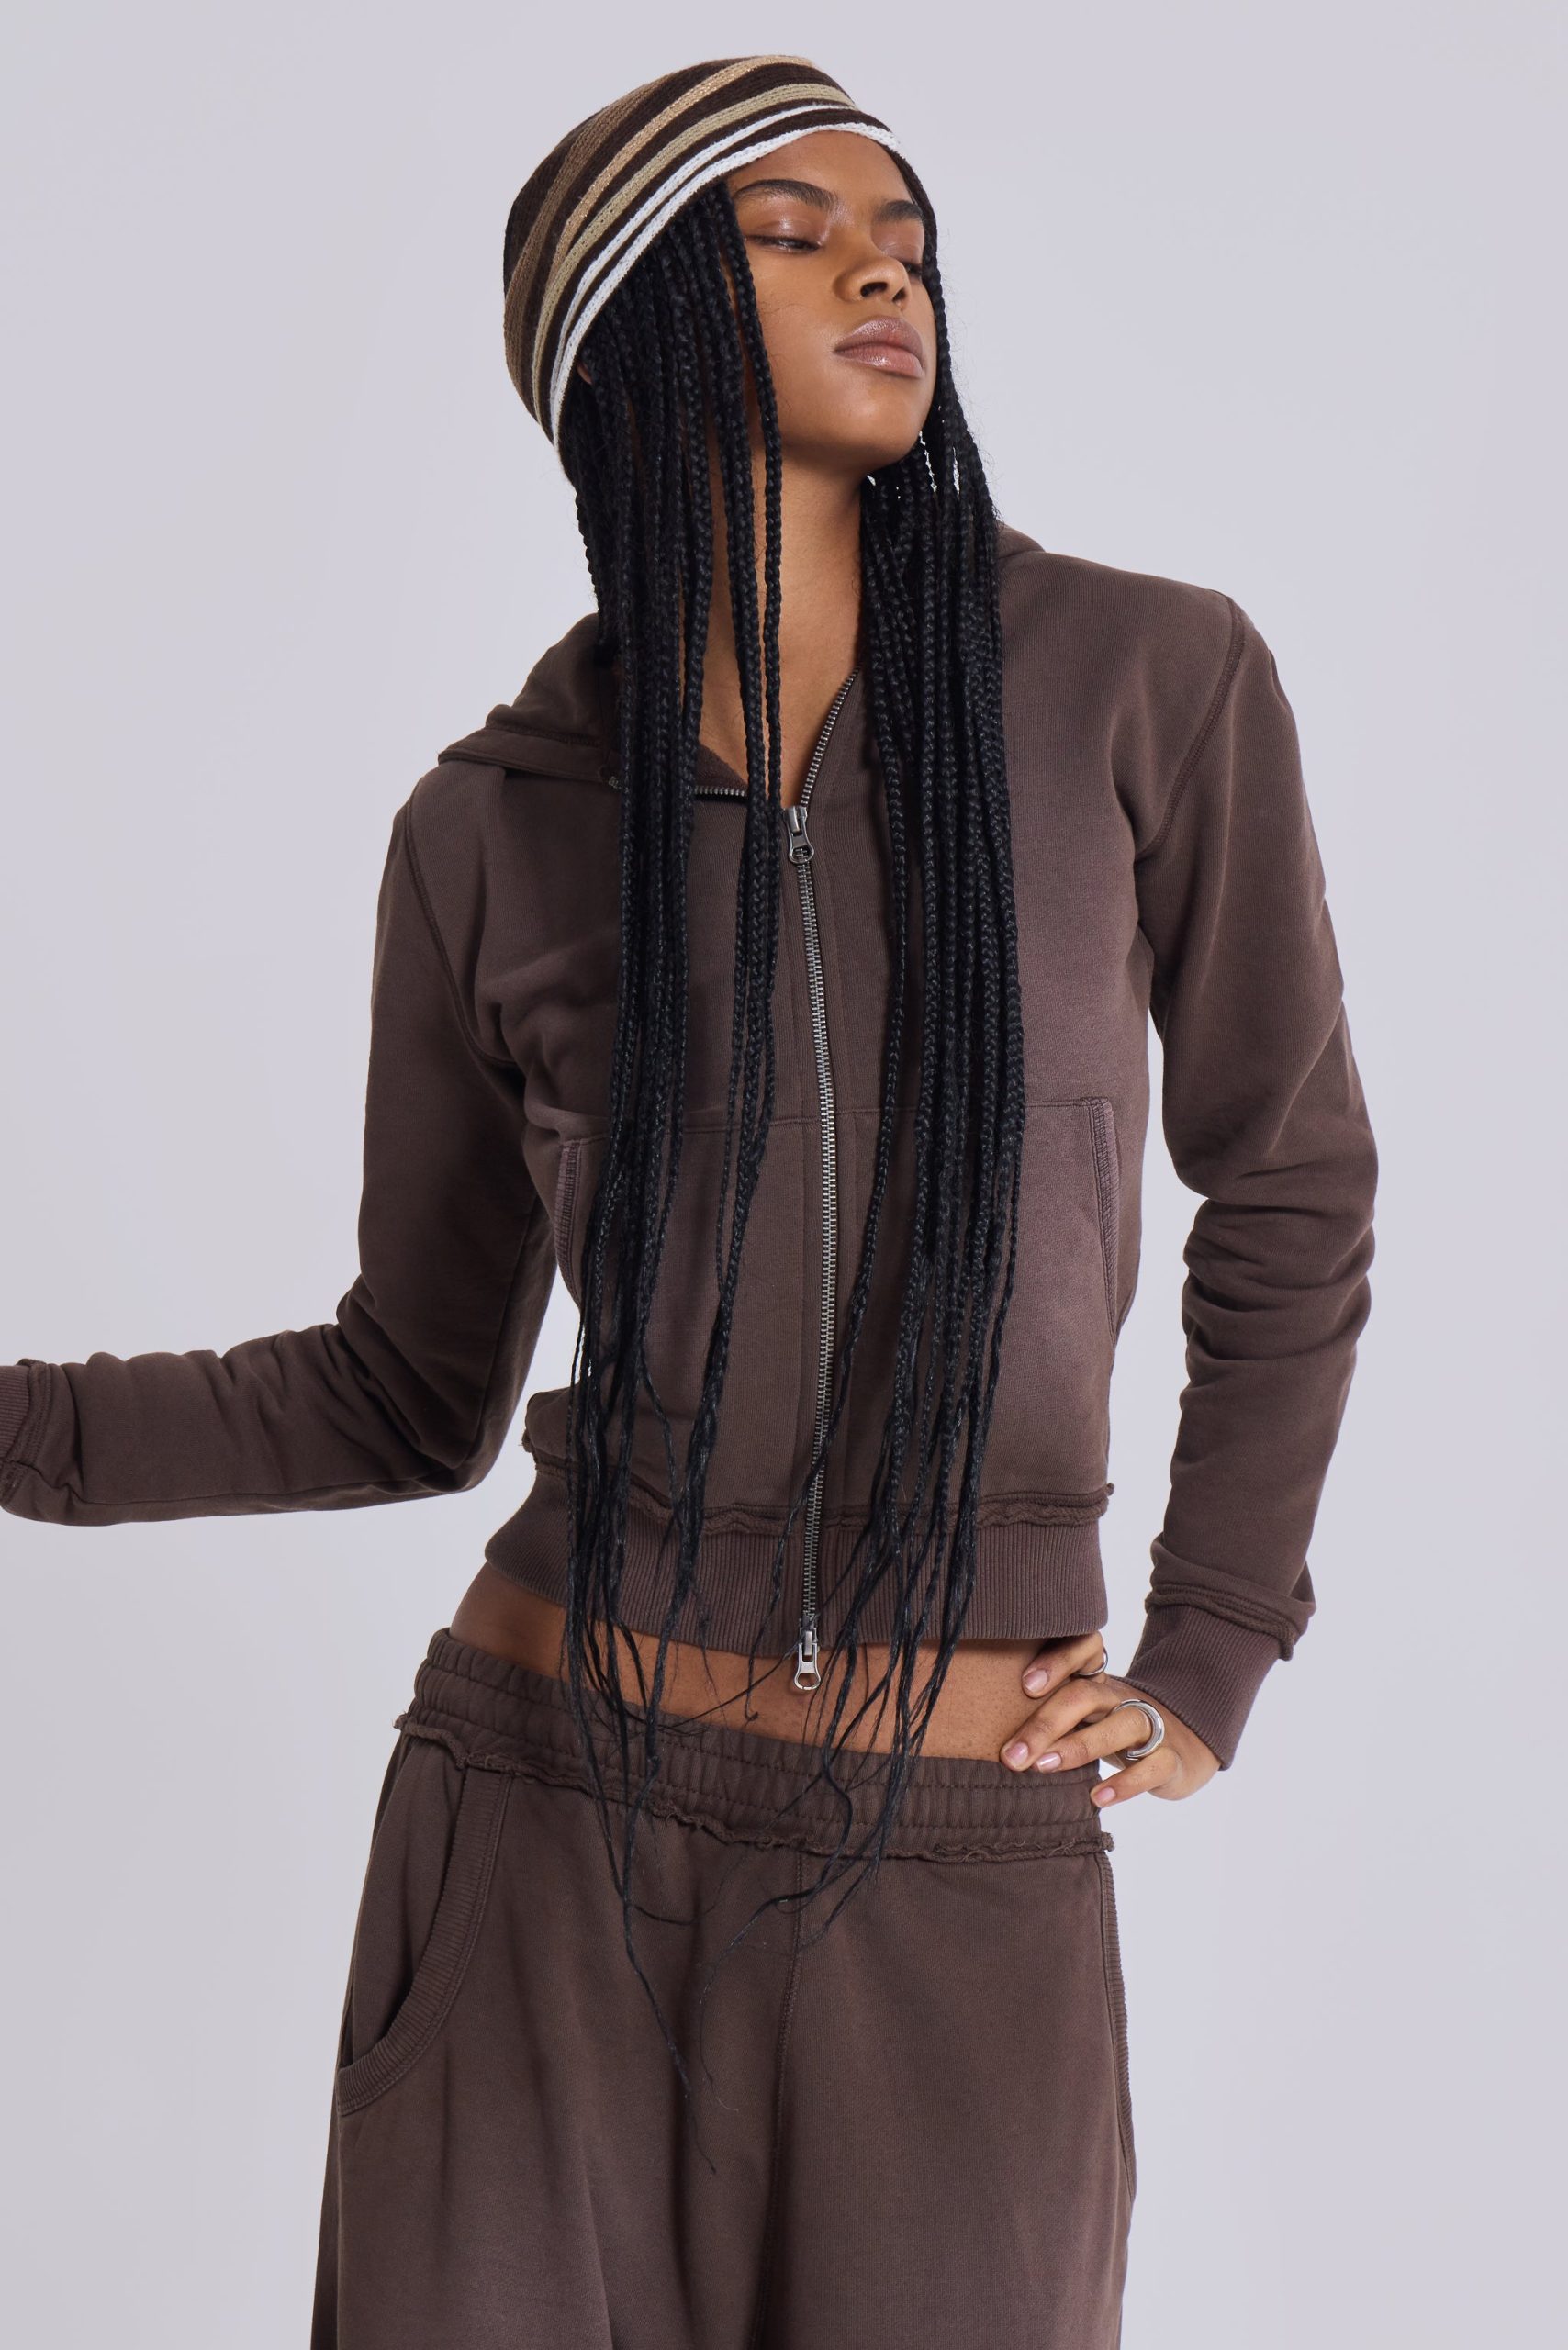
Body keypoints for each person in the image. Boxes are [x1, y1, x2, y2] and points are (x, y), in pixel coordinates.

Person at [0, 53, 1378, 2350]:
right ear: (622, 325)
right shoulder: (495, 823)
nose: (879, 270)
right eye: (789, 231)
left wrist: (1210, 1643)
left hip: (954, 1858)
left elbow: (1292, 1180)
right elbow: (399, 1387)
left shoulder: (1141, 680)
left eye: (904, 235)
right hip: (542, 1825)